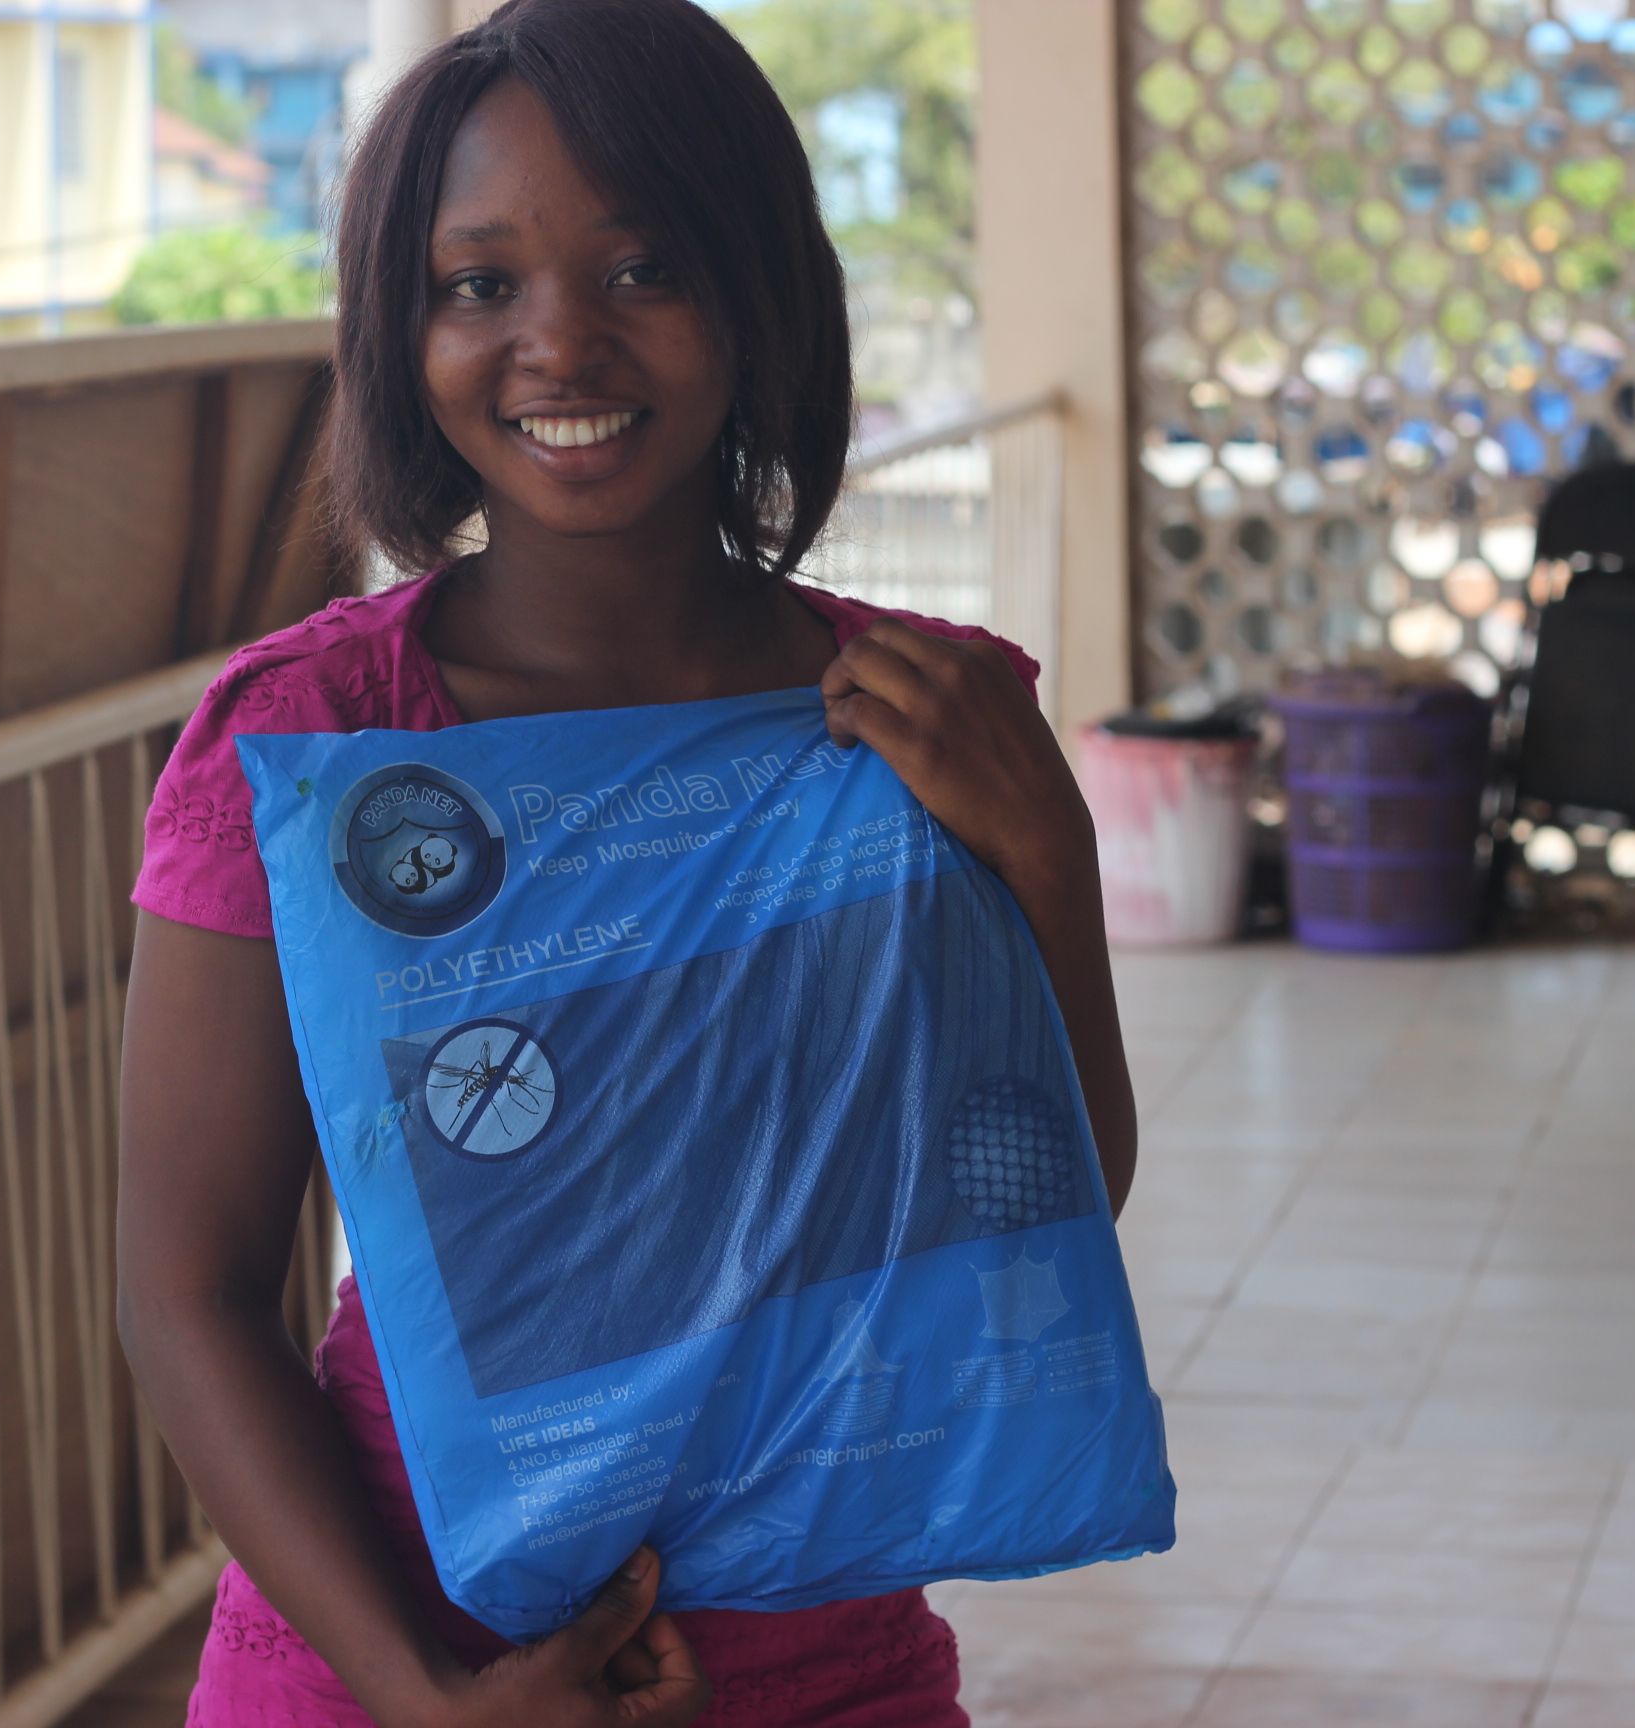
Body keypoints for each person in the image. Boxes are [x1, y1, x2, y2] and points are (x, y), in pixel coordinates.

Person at [116, 1, 1137, 1720]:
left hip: (828, 1656)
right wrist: (433, 1698)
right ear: (402, 325)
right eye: (479, 284)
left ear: (757, 299)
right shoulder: (316, 737)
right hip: (399, 1661)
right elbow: (187, 1290)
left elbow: (1044, 1196)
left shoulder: (921, 715)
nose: (560, 345)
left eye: (644, 266)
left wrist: (1045, 846)